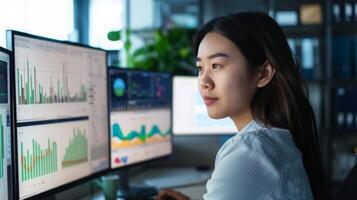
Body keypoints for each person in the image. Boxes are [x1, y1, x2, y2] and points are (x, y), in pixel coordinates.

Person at [156, 11, 328, 200]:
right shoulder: (274, 138)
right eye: (200, 68)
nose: (204, 82)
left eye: (216, 65)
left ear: (263, 74)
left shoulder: (252, 150)